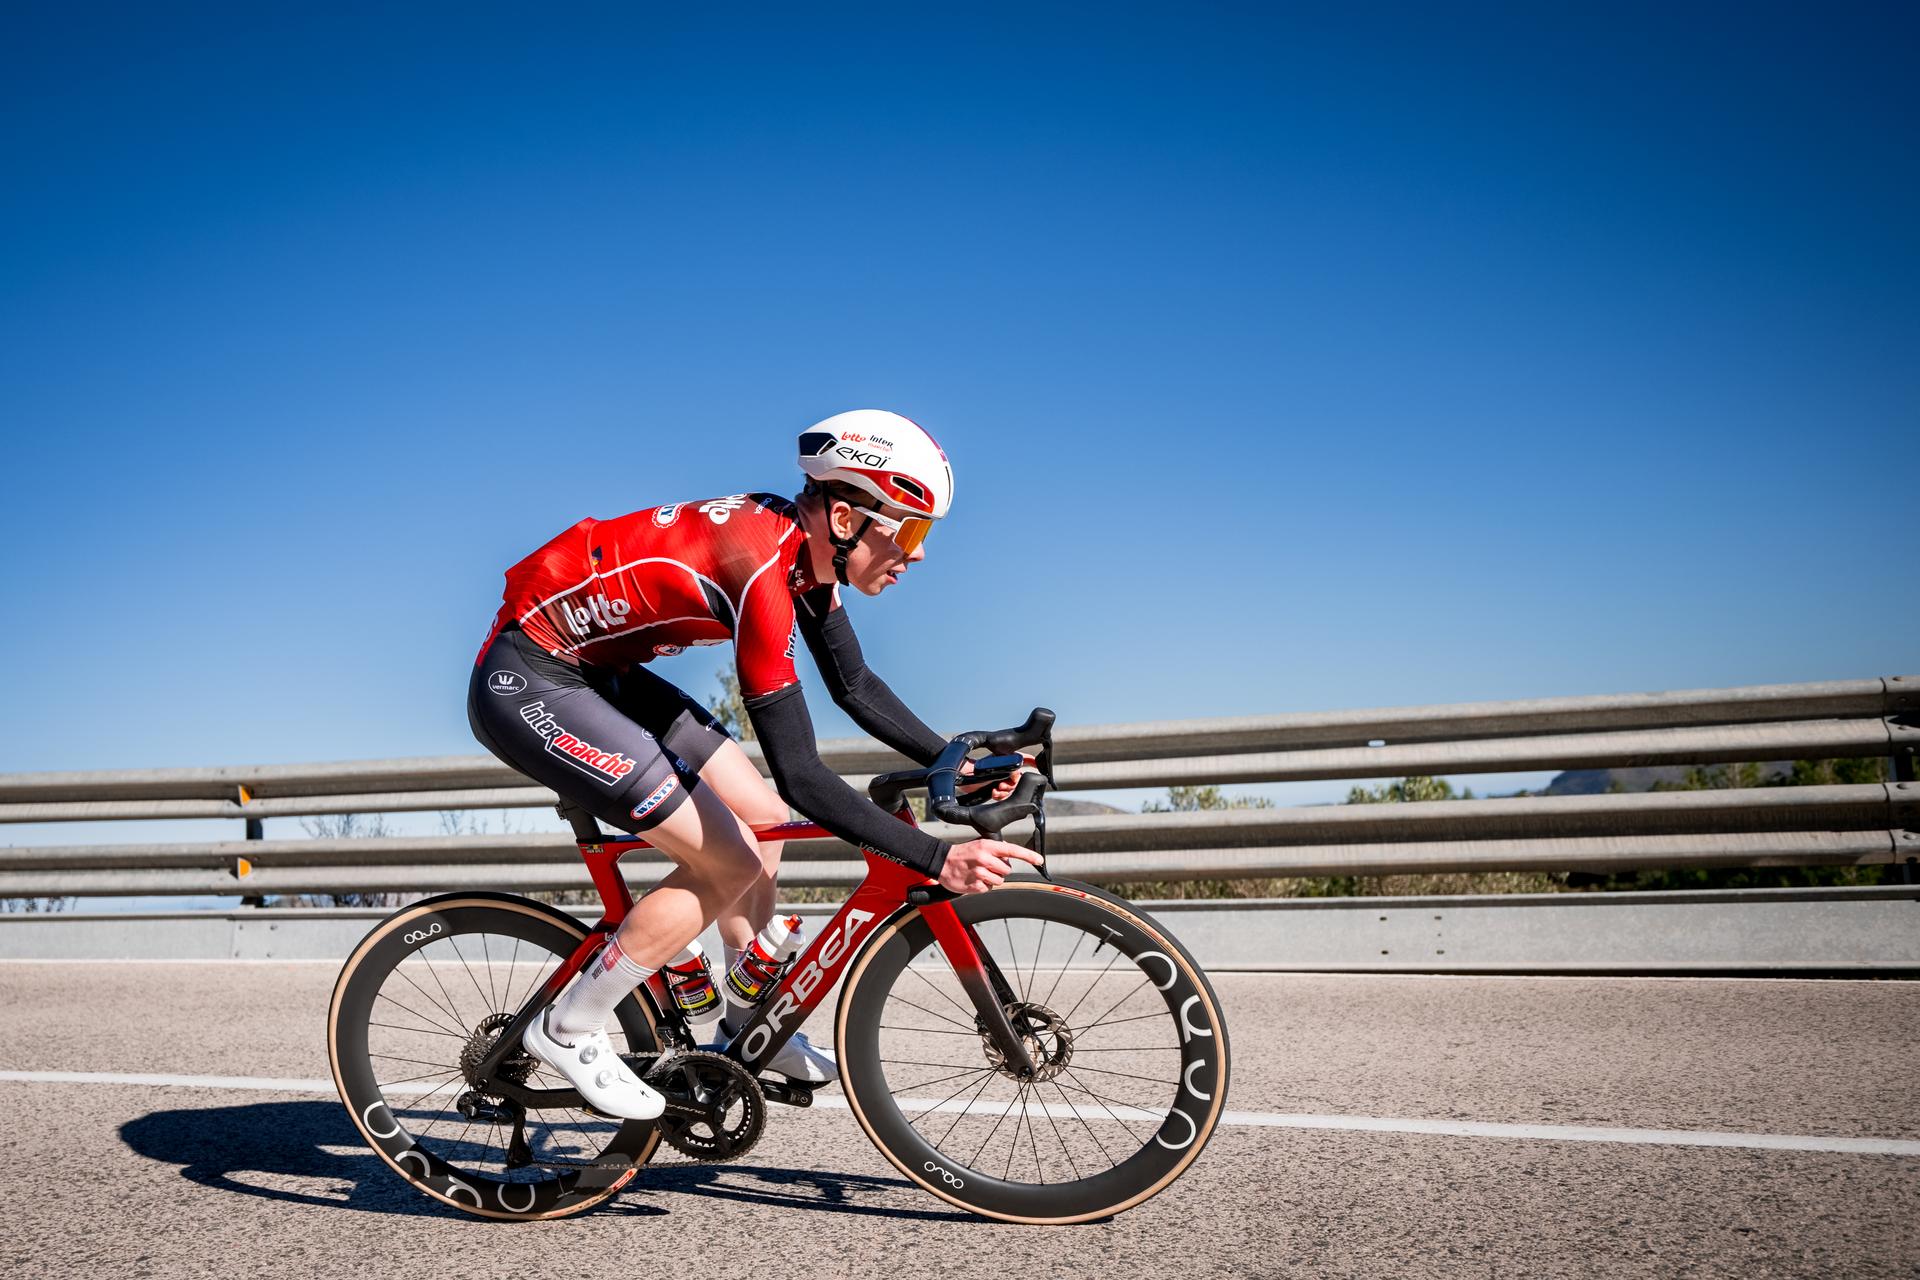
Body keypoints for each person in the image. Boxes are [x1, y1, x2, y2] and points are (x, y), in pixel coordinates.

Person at [467, 409, 1041, 1119]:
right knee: (732, 861)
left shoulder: (805, 556)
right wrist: (934, 857)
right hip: (532, 678)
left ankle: (743, 1024)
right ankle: (569, 1026)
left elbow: (854, 686)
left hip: (599, 672)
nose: (917, 554)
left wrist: (951, 758)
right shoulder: (761, 566)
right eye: (911, 529)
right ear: (845, 516)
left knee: (764, 822)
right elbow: (803, 772)